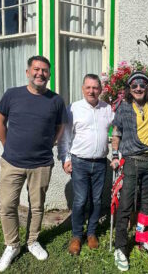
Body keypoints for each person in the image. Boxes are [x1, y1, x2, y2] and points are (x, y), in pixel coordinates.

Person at [0, 56, 67, 272]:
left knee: (37, 206)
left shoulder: (56, 100)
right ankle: (12, 245)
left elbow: (60, 126)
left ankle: (33, 241)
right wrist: (7, 145)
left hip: (41, 164)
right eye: (36, 69)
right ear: (28, 72)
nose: (40, 74)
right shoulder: (12, 94)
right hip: (12, 162)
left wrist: (50, 144)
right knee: (7, 205)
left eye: (45, 71)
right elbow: (0, 119)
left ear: (49, 75)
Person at [110, 71, 148, 271]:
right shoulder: (123, 106)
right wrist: (115, 156)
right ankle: (120, 246)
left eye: (143, 85)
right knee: (126, 203)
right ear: (129, 89)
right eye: (134, 86)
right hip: (132, 160)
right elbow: (116, 131)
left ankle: (142, 237)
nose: (139, 89)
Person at [57, 74, 114, 255]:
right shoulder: (73, 108)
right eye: (88, 87)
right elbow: (64, 137)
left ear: (101, 89)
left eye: (95, 87)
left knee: (96, 201)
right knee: (81, 200)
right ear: (83, 89)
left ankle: (91, 233)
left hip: (100, 163)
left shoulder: (107, 109)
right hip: (79, 162)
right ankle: (76, 236)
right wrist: (65, 159)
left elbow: (120, 127)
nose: (92, 91)